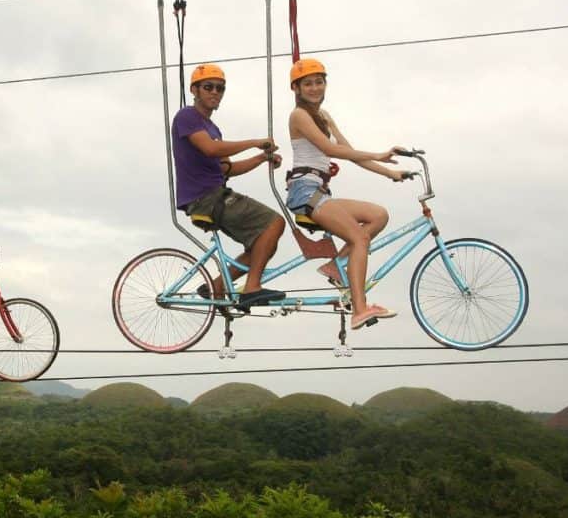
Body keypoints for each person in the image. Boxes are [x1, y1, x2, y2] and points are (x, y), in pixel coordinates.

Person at [285, 58, 406, 329]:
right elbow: (331, 151)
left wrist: (390, 172)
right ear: (296, 88)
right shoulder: (299, 116)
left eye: (319, 82)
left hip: (319, 191)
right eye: (308, 84)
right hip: (304, 192)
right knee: (360, 237)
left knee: (378, 215)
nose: (315, 88)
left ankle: (335, 266)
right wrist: (378, 153)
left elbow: (348, 151)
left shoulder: (324, 116)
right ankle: (360, 309)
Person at [172, 63, 287, 309]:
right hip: (206, 197)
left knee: (262, 245)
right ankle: (252, 288)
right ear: (195, 90)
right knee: (275, 223)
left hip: (215, 192)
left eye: (220, 88)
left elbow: (226, 169)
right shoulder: (187, 116)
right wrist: (255, 142)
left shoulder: (214, 129)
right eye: (208, 87)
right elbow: (210, 149)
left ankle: (216, 287)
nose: (215, 92)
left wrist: (261, 158)